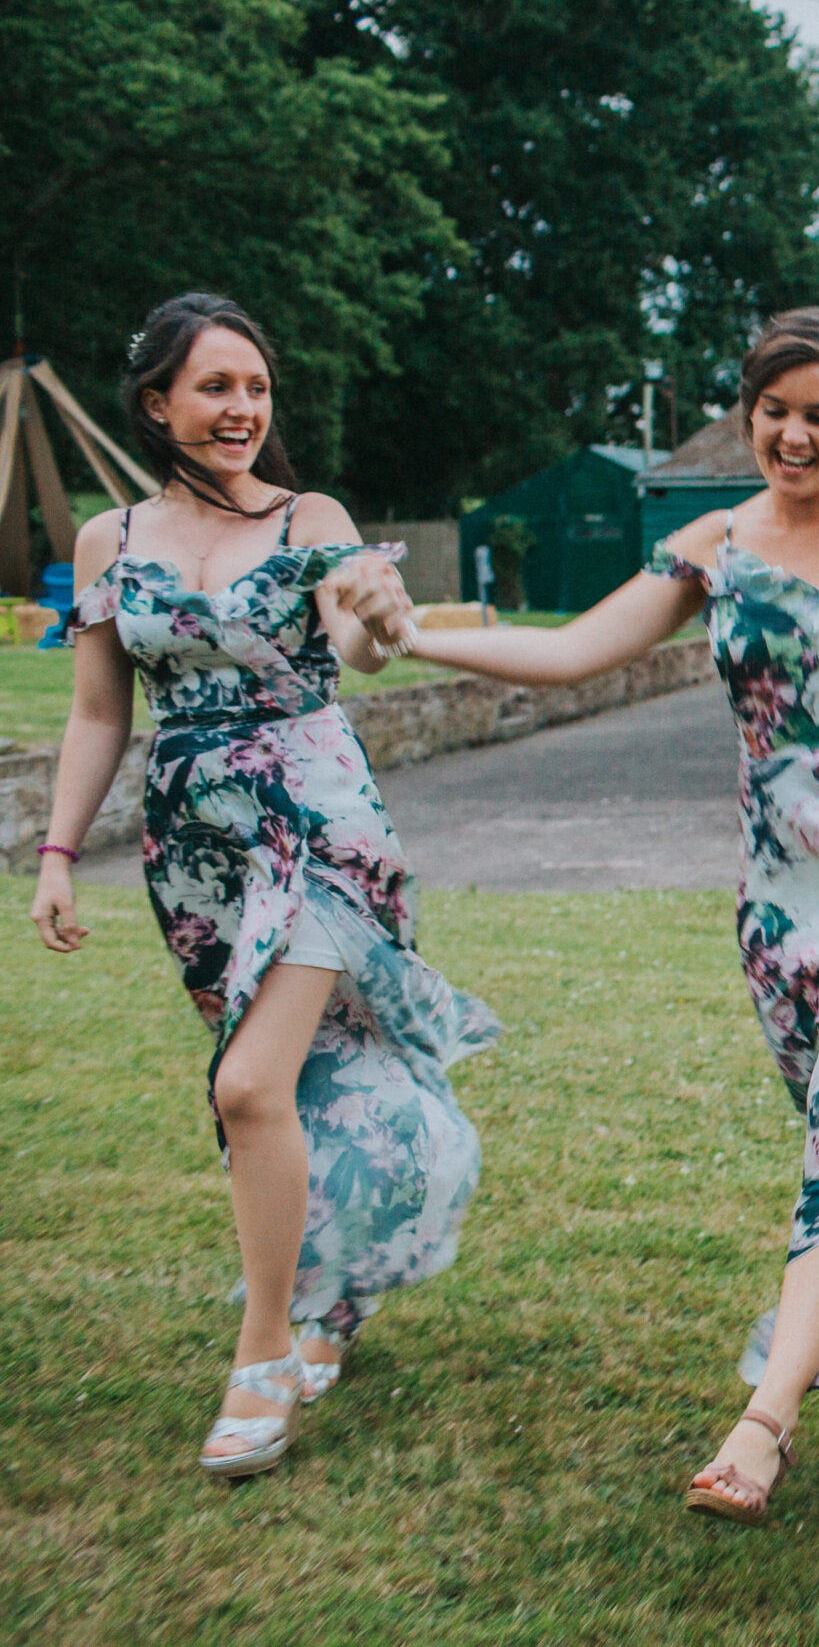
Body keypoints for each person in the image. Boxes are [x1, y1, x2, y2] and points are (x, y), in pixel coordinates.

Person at [400, 309, 819, 1523]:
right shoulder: (710, 547)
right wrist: (413, 637)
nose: (791, 434)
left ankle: (760, 1429)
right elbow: (577, 655)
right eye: (772, 411)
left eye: (817, 414)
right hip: (785, 904)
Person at [28, 294, 493, 1478]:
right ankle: (331, 1298)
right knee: (290, 1087)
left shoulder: (311, 517)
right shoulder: (107, 541)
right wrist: (56, 853)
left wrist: (385, 614)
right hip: (195, 846)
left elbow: (360, 639)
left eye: (256, 390)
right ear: (156, 404)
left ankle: (265, 1353)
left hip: (318, 818)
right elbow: (96, 712)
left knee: (247, 1086)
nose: (242, 410)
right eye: (216, 388)